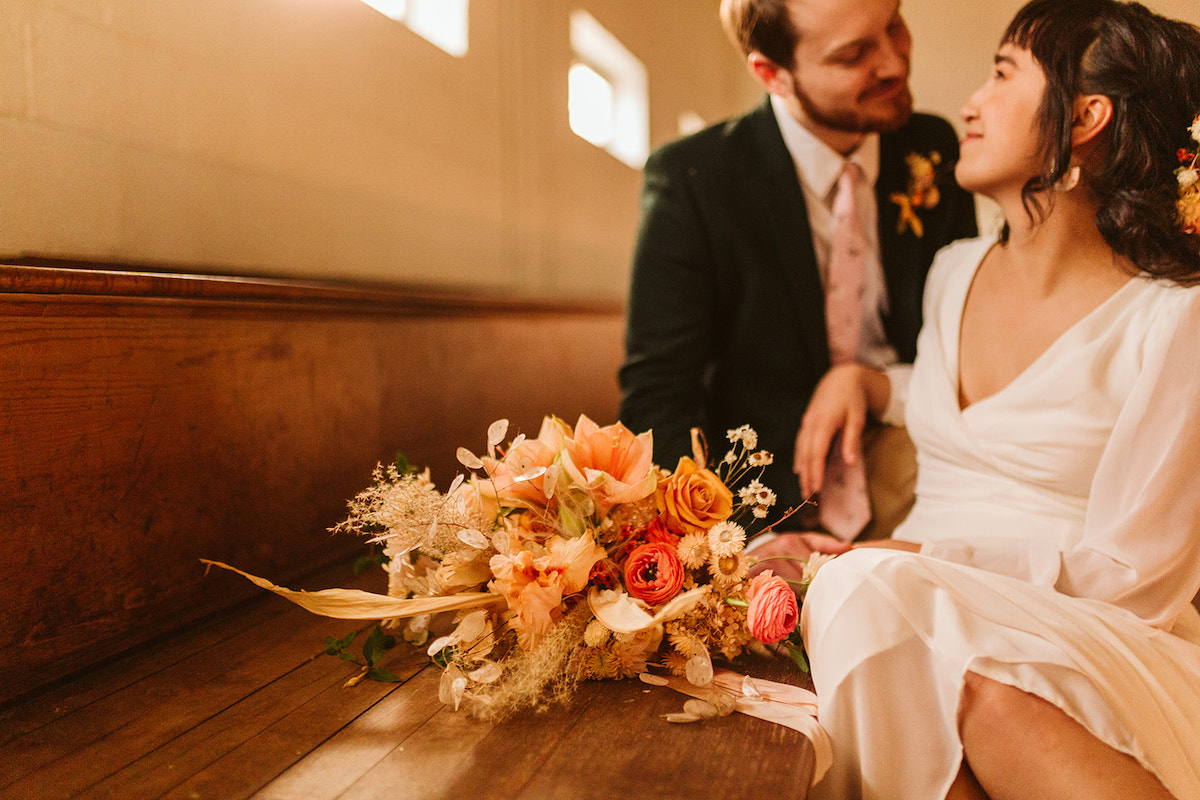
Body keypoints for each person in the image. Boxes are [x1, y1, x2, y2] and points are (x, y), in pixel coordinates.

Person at [794, 1, 1200, 798]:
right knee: (878, 615)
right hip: (901, 605)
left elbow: (1140, 578)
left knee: (875, 605)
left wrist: (923, 561)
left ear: (1086, 116)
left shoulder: (1174, 316)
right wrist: (871, 382)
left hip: (1093, 633)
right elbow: (989, 413)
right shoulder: (950, 272)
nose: (971, 103)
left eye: (1003, 72)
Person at [617, 0, 977, 539]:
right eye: (853, 55)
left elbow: (963, 344)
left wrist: (872, 384)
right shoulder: (693, 180)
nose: (895, 64)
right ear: (772, 74)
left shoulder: (933, 149)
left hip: (911, 453)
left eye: (894, 25)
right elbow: (660, 393)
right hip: (762, 497)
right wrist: (717, 545)